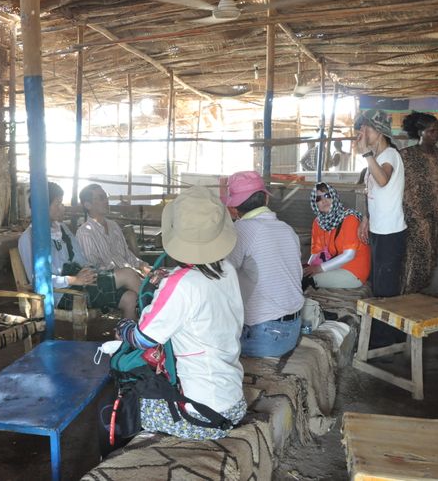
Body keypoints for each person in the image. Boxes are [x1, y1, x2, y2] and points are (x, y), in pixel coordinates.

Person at [115, 186, 245, 439]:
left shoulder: (180, 285)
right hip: (234, 401)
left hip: (203, 413)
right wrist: (171, 279)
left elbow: (144, 339)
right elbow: (198, 288)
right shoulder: (227, 269)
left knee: (128, 404)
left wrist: (123, 328)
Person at [18, 182, 139, 319]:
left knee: (130, 298)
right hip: (63, 293)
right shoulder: (29, 238)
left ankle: (129, 339)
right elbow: (38, 281)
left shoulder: (62, 229)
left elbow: (80, 260)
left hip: (80, 283)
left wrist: (88, 270)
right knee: (129, 274)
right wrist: (73, 279)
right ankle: (160, 316)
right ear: (43, 207)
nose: (62, 207)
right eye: (58, 203)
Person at [224, 171, 304, 358]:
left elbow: (221, 276)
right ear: (266, 200)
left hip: (264, 334)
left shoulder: (242, 230)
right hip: (292, 329)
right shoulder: (287, 230)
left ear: (234, 208)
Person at [355, 109, 407, 348]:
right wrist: (366, 217)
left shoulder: (390, 155)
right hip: (379, 230)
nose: (363, 132)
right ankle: (389, 337)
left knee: (386, 289)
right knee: (379, 286)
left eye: (367, 128)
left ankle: (388, 341)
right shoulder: (377, 157)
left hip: (391, 233)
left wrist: (366, 154)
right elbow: (374, 191)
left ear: (380, 131)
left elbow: (383, 180)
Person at [399, 112, 438, 294]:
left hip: (437, 217)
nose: (436, 134)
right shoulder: (407, 155)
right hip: (415, 219)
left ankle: (417, 298)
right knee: (415, 260)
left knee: (430, 260)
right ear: (420, 133)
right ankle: (406, 298)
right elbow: (403, 188)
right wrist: (415, 214)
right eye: (432, 131)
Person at [304, 182, 371, 289]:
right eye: (318, 199)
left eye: (327, 195)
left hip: (353, 271)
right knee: (300, 277)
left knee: (307, 281)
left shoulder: (349, 218)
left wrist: (318, 269)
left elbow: (349, 255)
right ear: (314, 203)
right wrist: (307, 268)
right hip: (332, 267)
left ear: (334, 197)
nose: (324, 201)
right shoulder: (318, 222)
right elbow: (316, 252)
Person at [76, 183, 151, 276]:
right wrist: (124, 273)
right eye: (101, 198)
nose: (106, 201)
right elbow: (94, 267)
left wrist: (141, 265)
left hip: (130, 275)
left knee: (157, 277)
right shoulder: (85, 232)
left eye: (106, 196)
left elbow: (127, 254)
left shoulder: (113, 226)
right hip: (110, 282)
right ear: (88, 205)